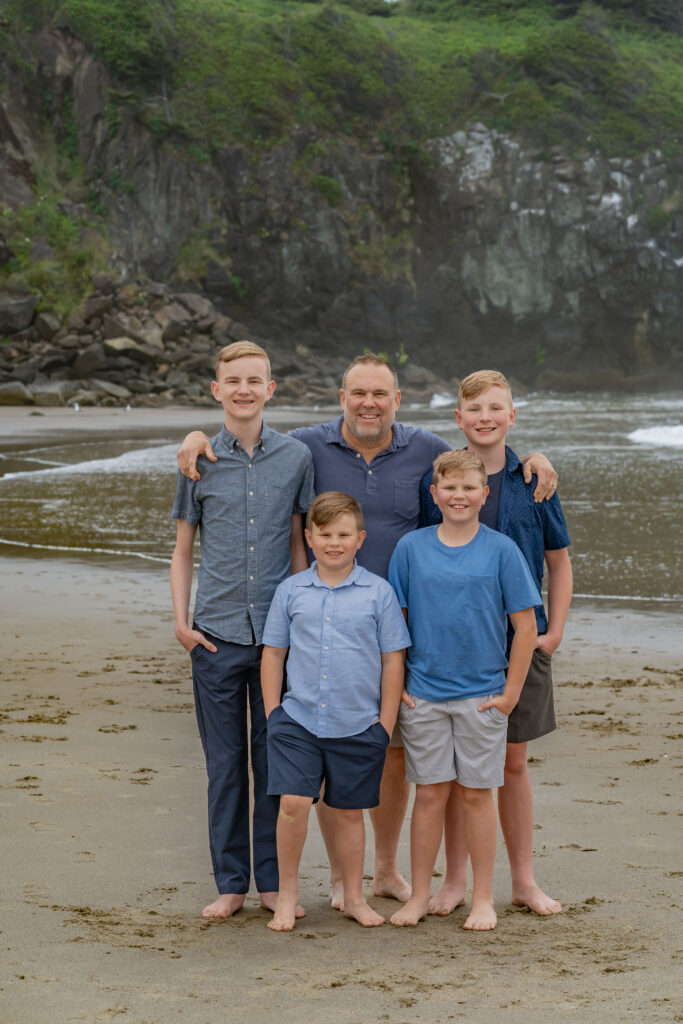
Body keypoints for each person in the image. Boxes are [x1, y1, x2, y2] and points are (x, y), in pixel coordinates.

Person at [176, 354, 558, 909]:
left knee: (396, 754)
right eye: (358, 393)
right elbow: (254, 439)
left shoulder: (424, 448)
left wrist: (537, 460)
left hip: (407, 632)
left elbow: (473, 465)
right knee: (334, 745)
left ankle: (384, 870)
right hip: (328, 623)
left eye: (380, 393)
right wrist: (193, 436)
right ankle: (340, 878)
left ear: (397, 400)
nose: (369, 403)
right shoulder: (310, 447)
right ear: (342, 397)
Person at [418, 370, 572, 917]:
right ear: (458, 418)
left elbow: (558, 560)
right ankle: (455, 881)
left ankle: (524, 881)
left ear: (513, 416)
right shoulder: (438, 478)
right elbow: (427, 551)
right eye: (474, 409)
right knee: (462, 772)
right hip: (456, 644)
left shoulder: (537, 480)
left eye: (495, 408)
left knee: (511, 765)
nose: (485, 418)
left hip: (521, 643)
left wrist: (553, 630)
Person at [170, 341, 315, 919]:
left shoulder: (296, 457)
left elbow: (299, 545)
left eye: (255, 380)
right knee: (225, 765)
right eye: (233, 381)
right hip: (215, 637)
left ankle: (274, 884)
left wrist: (304, 621)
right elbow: (183, 551)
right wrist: (181, 624)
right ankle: (231, 883)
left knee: (273, 763)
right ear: (216, 389)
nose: (244, 389)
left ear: (270, 389)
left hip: (278, 639)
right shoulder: (197, 459)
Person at [388, 449, 540, 930]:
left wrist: (511, 694)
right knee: (429, 795)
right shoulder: (411, 549)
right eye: (449, 487)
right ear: (434, 494)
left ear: (484, 493)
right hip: (424, 696)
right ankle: (418, 896)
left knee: (477, 797)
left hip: (483, 697)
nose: (459, 495)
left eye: (469, 487)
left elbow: (526, 627)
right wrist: (397, 690)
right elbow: (395, 627)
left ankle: (482, 899)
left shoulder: (501, 550)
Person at [261, 491, 410, 931]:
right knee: (293, 802)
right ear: (309, 538)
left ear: (360, 539)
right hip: (298, 720)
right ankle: (287, 894)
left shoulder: (378, 594)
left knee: (348, 812)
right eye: (324, 534)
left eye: (343, 535)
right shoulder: (291, 592)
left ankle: (355, 897)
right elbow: (273, 654)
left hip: (358, 723)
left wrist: (384, 724)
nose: (333, 543)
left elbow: (392, 661)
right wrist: (273, 713)